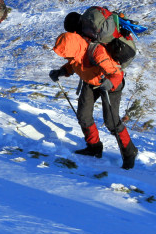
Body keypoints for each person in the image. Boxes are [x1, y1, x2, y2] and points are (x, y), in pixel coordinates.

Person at [49, 12, 138, 170]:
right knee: (83, 115)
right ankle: (94, 147)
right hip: (91, 82)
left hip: (110, 84)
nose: (65, 57)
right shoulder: (76, 48)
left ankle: (129, 152)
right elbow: (74, 63)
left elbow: (116, 74)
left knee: (111, 121)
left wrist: (110, 83)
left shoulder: (96, 51)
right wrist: (61, 71)